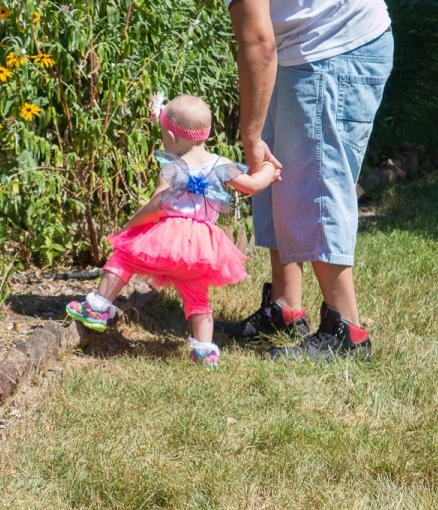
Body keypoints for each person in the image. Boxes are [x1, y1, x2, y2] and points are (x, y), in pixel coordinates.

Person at [107, 0, 394, 360]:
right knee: (279, 176)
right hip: (310, 45)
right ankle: (286, 307)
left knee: (316, 180)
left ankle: (347, 333)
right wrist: (259, 142)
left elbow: (257, 43)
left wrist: (250, 132)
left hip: (337, 49)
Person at [66, 94, 279, 365]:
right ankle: (204, 351)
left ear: (170, 134)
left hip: (168, 239)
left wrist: (132, 224)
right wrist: (270, 171)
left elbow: (157, 206)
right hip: (202, 247)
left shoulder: (173, 168)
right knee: (198, 296)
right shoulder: (220, 163)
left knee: (123, 256)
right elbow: (252, 185)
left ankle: (97, 306)